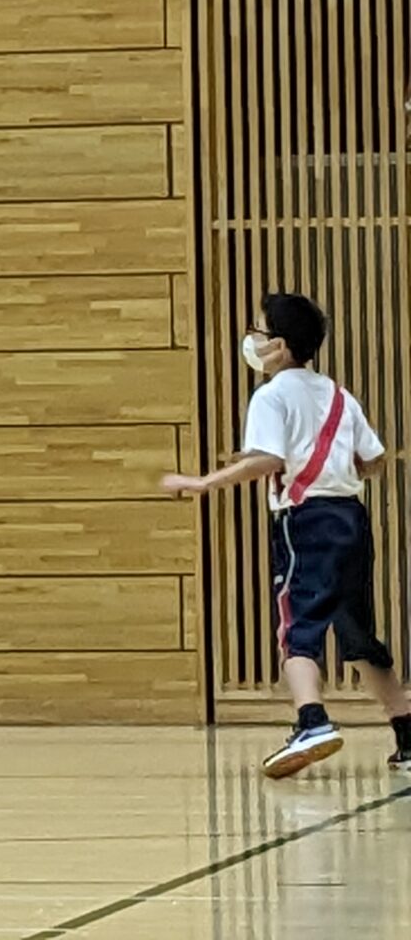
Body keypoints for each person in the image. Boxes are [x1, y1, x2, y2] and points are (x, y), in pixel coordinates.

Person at [163, 293, 411, 777]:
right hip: (351, 519)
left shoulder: (271, 395)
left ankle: (312, 721)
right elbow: (375, 460)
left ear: (277, 346)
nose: (250, 341)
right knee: (356, 632)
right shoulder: (339, 395)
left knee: (297, 627)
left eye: (256, 331)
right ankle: (407, 733)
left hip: (306, 522)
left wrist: (203, 482)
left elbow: (268, 460)